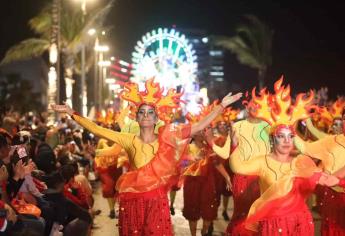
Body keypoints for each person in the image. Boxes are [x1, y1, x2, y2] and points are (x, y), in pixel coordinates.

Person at [52, 78, 242, 236]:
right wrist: (72, 113)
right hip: (132, 201)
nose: (146, 115)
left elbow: (199, 126)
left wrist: (221, 107)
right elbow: (97, 129)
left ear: (156, 118)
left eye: (150, 112)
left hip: (157, 201)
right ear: (136, 118)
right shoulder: (128, 139)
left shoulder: (167, 137)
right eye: (142, 112)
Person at [212, 78, 341, 235]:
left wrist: (338, 179)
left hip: (298, 224)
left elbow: (328, 179)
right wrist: (234, 145)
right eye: (281, 136)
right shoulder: (263, 162)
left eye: (290, 136)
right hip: (272, 224)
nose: (287, 141)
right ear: (273, 139)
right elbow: (237, 166)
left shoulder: (301, 163)